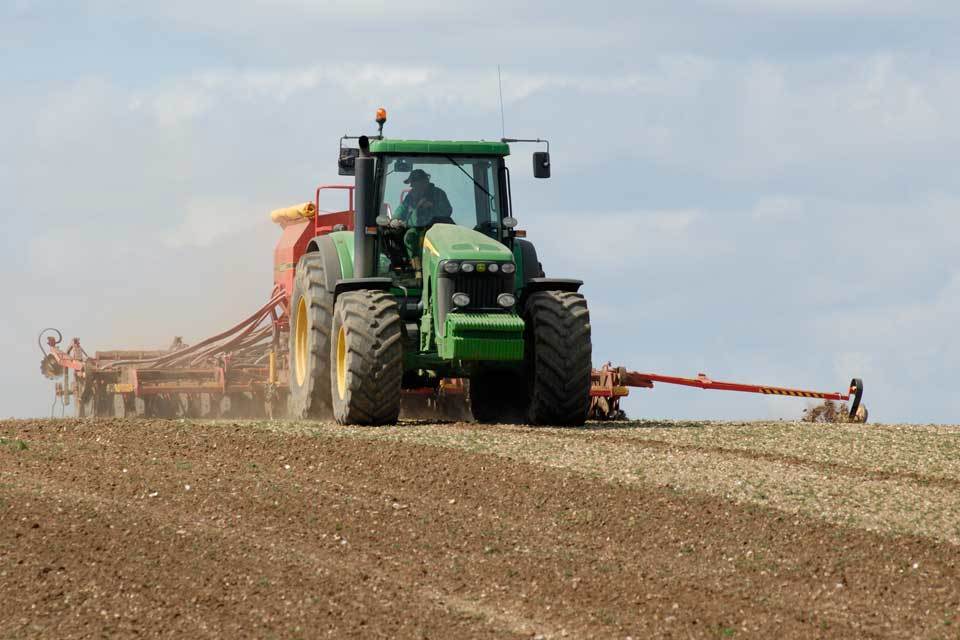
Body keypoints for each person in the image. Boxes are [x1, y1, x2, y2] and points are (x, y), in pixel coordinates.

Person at [393, 169, 453, 274]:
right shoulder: (411, 196)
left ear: (424, 181)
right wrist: (394, 218)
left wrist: (432, 206)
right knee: (409, 237)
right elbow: (402, 208)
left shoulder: (438, 193)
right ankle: (417, 270)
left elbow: (447, 211)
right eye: (412, 184)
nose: (412, 186)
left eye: (414, 183)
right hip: (417, 228)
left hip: (437, 230)